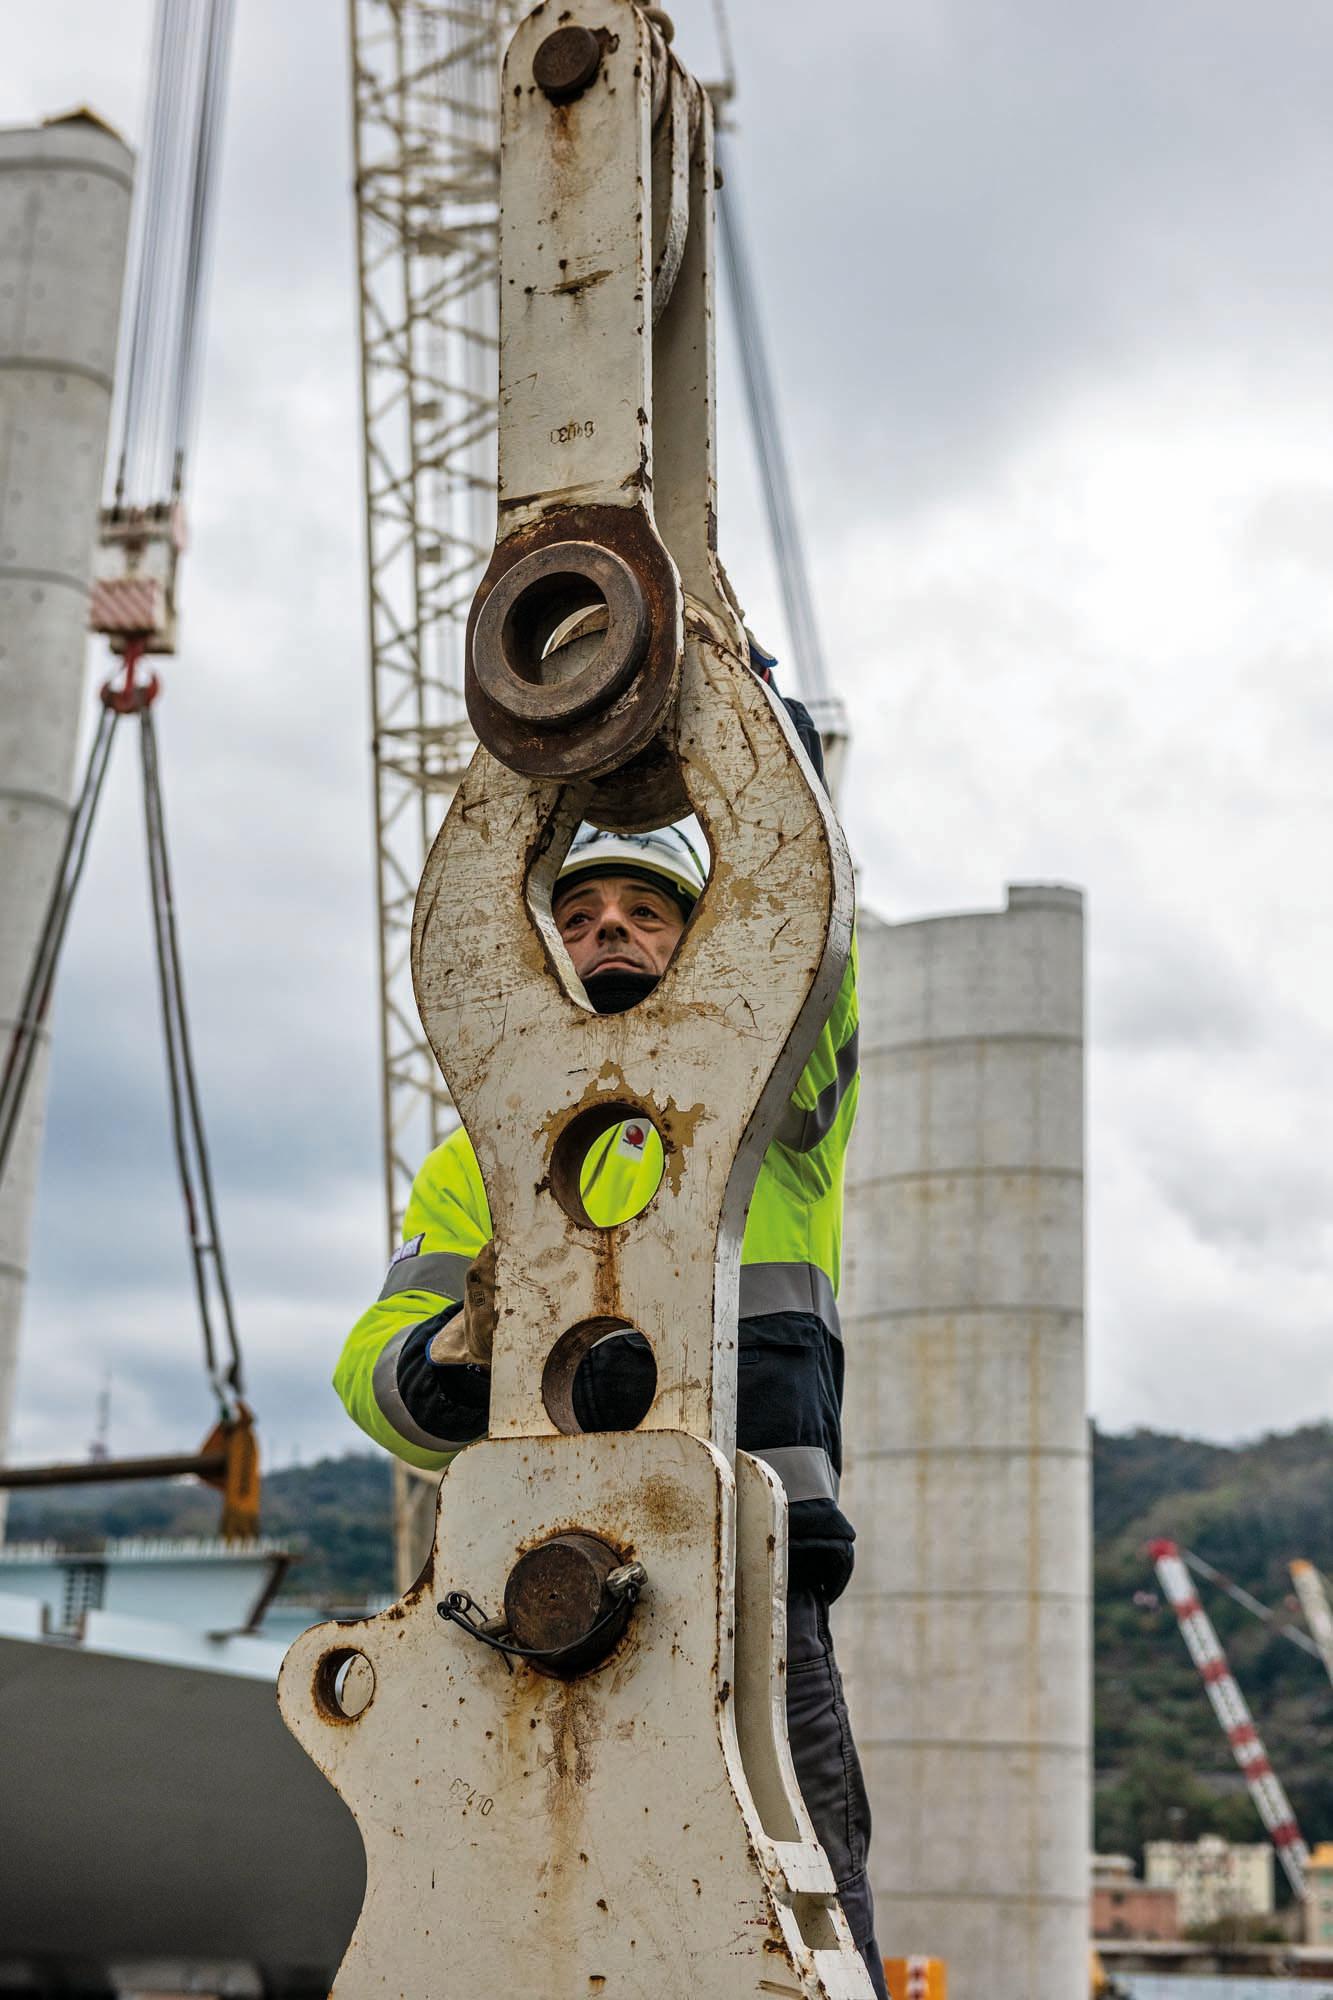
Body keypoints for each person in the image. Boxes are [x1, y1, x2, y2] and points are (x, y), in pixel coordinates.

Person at [334, 663, 889, 1999]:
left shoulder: (776, 1103)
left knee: (794, 1872)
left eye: (647, 910)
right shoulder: (481, 1152)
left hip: (748, 1552)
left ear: (709, 947)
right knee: (532, 1887)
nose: (611, 931)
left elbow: (805, 941)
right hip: (534, 1569)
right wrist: (458, 1361)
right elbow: (378, 1376)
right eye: (580, 913)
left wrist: (759, 742)